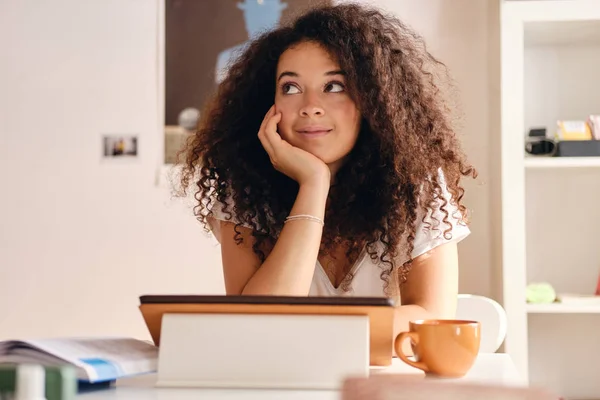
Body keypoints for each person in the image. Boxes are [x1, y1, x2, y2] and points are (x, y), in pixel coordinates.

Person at [178, 3, 477, 340]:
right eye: (290, 88)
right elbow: (255, 325)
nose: (310, 107)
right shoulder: (243, 190)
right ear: (268, 103)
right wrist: (314, 184)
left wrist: (308, 328)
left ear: (372, 100)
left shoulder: (415, 184)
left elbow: (429, 318)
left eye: (334, 86)